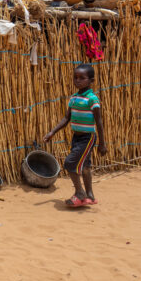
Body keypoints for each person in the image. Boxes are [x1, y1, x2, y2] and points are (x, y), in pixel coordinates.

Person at [43, 63, 107, 207]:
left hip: (87, 138)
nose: (77, 80)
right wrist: (52, 132)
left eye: (82, 78)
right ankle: (89, 195)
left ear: (91, 80)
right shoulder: (73, 98)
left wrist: (102, 144)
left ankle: (80, 193)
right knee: (84, 165)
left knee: (70, 163)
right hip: (76, 138)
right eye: (75, 77)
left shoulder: (92, 99)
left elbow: (99, 123)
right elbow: (66, 119)